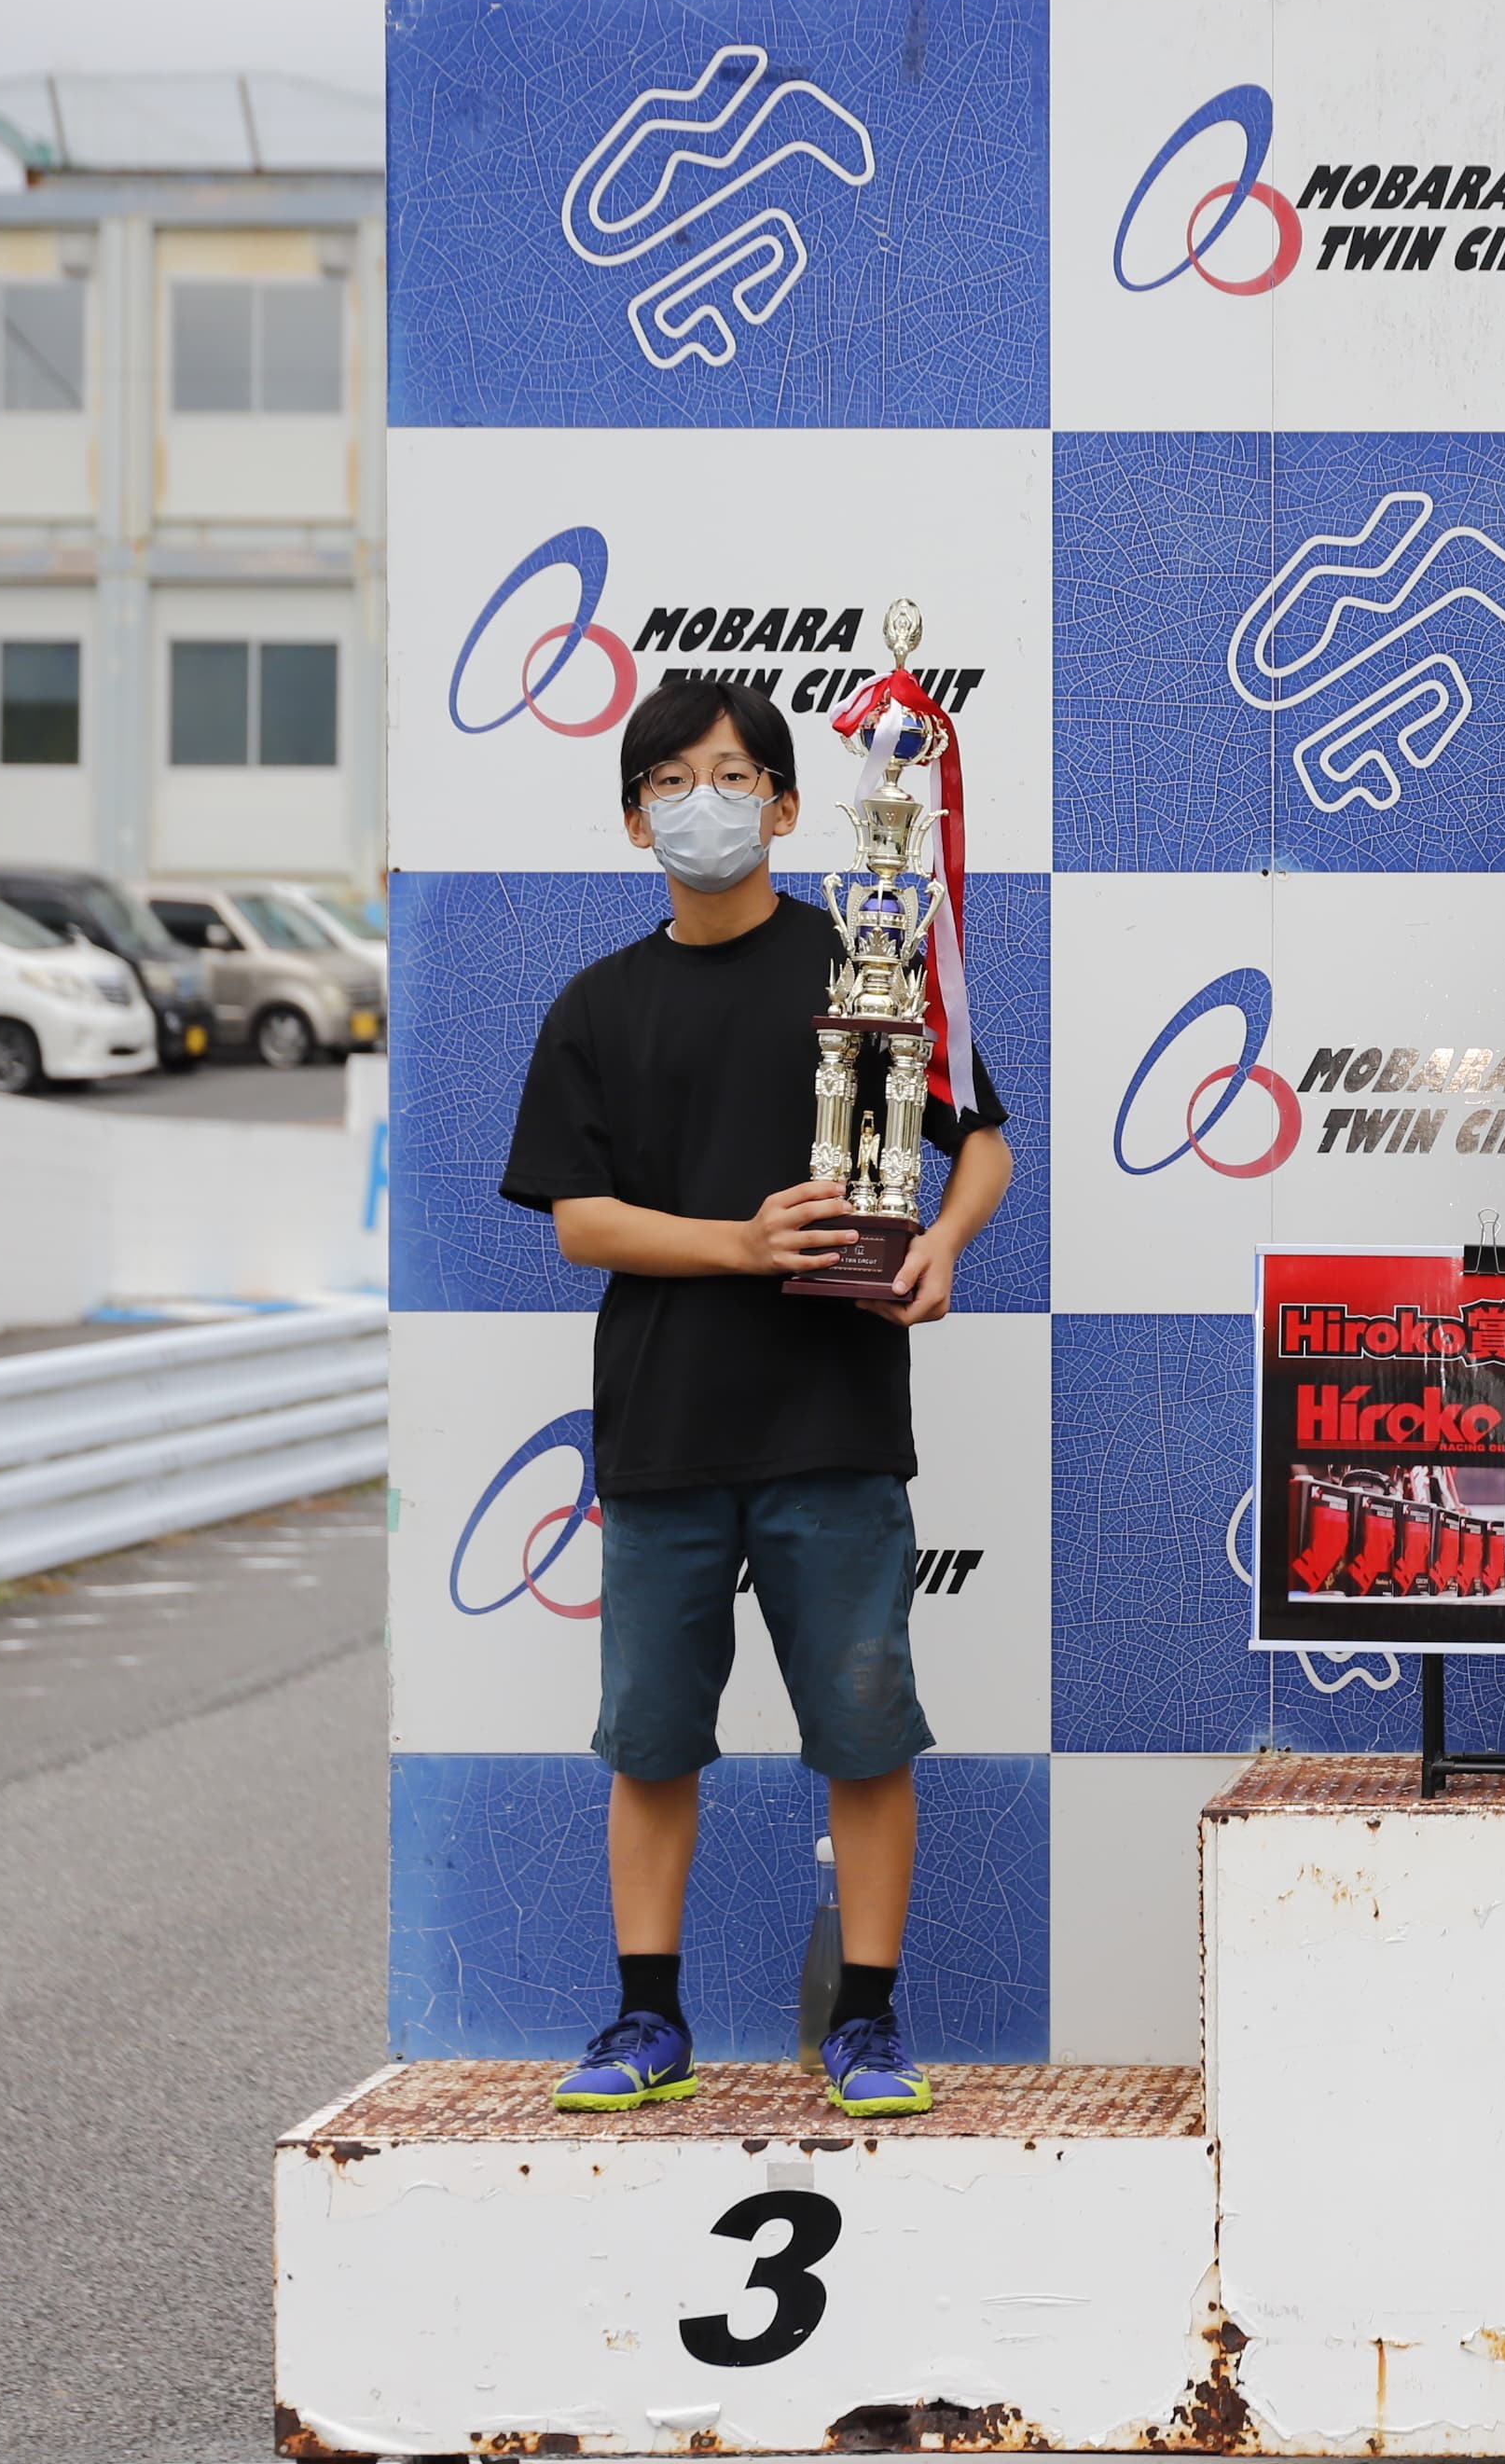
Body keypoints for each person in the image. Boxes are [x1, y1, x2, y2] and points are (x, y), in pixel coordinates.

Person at [502, 680, 1015, 2111]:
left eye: (732, 777)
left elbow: (983, 1143)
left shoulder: (870, 968)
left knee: (866, 1730)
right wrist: (742, 1243)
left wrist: (942, 1245)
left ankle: (871, 2024)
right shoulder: (597, 1005)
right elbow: (581, 1222)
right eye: (669, 782)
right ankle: (646, 2021)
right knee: (652, 1741)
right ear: (634, 820)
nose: (702, 804)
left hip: (833, 1424)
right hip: (664, 1429)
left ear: (789, 806)